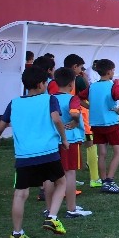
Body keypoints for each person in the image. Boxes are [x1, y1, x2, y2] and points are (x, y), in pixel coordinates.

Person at [0, 65, 70, 238]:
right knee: (61, 182)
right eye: (46, 82)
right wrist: (64, 139)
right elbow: (56, 119)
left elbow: (0, 127)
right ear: (41, 84)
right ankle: (52, 217)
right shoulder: (49, 99)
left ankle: (17, 233)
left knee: (20, 193)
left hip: (24, 157)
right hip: (48, 152)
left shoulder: (15, 103)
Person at [52, 67, 91, 218]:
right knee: (70, 173)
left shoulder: (50, 98)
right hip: (70, 140)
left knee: (51, 175)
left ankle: (49, 208)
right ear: (71, 83)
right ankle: (71, 208)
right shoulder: (72, 99)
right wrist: (75, 121)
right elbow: (74, 112)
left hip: (53, 140)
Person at [85, 58, 119, 194]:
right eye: (113, 70)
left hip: (96, 124)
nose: (113, 72)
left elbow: (79, 98)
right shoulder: (112, 85)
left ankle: (103, 181)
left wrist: (90, 107)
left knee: (102, 153)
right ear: (109, 72)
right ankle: (109, 181)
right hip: (110, 123)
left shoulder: (92, 86)